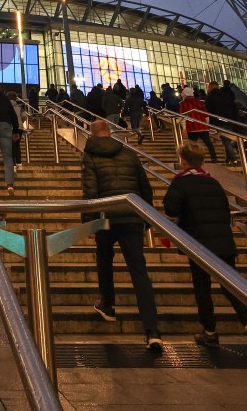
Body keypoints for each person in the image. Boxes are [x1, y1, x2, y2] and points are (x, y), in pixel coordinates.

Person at [163, 142, 247, 356]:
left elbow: (171, 208)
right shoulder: (213, 182)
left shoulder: (181, 183)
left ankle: (209, 332)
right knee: (230, 285)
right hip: (223, 242)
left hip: (198, 242)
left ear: (183, 161)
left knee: (202, 288)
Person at [81, 120, 162, 352]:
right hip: (132, 216)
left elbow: (90, 191)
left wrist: (89, 223)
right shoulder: (129, 154)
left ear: (93, 135)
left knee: (104, 260)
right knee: (139, 271)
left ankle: (108, 304)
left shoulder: (90, 155)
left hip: (107, 216)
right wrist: (147, 218)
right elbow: (145, 188)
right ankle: (152, 331)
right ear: (111, 133)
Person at [179, 87, 218, 163]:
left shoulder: (183, 104)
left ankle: (192, 160)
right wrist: (207, 124)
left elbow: (183, 117)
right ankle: (214, 158)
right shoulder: (199, 102)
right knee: (208, 143)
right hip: (203, 126)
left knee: (191, 146)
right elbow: (206, 115)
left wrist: (184, 127)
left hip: (192, 127)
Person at [205, 82, 239, 164]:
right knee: (227, 138)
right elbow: (233, 106)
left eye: (208, 87)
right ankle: (230, 156)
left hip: (218, 121)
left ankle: (232, 158)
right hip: (229, 120)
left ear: (211, 87)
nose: (207, 89)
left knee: (225, 140)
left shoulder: (210, 97)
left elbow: (208, 110)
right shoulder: (226, 95)